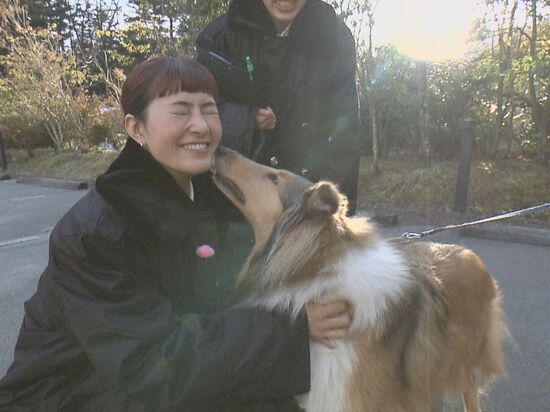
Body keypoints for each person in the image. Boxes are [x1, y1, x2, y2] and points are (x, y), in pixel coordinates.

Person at [0, 57, 352, 411]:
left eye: (209, 110)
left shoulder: (213, 198)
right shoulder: (97, 234)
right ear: (137, 129)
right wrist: (289, 333)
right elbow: (151, 363)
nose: (200, 125)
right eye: (180, 111)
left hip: (139, 388)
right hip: (67, 396)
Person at [196, 0, 361, 214]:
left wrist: (336, 214)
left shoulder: (333, 37)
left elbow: (344, 132)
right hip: (237, 200)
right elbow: (196, 113)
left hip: (306, 199)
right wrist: (248, 119)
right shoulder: (222, 34)